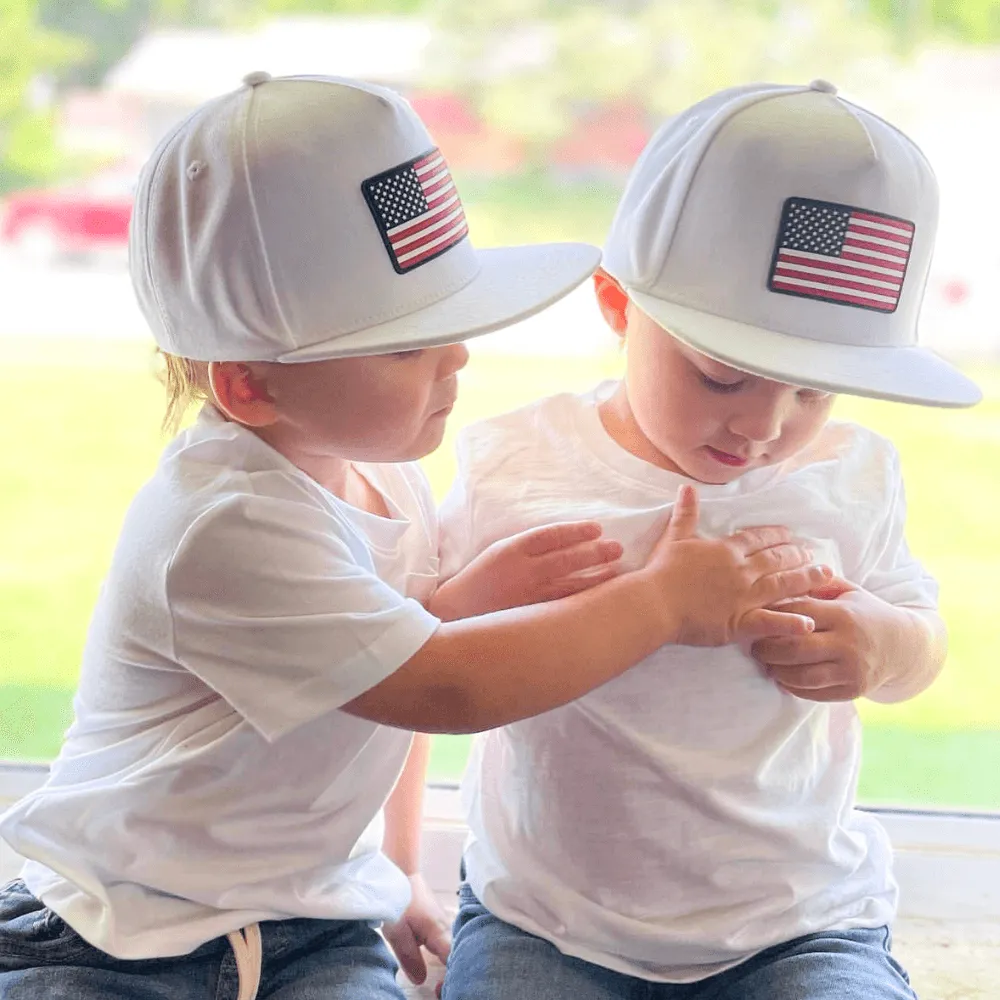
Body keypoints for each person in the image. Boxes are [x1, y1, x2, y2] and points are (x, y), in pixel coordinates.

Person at [0, 74, 827, 1000]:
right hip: (114, 933)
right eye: (407, 343)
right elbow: (445, 686)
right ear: (250, 386)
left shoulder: (380, 468)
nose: (461, 355)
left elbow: (393, 660)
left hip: (310, 923)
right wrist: (662, 601)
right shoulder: (221, 526)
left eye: (455, 323)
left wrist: (399, 863)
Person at [438, 80, 982, 1000]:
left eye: (813, 389)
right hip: (551, 918)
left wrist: (882, 647)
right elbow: (418, 657)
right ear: (616, 305)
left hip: (798, 921)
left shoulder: (849, 474)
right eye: (722, 377)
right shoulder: (518, 464)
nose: (764, 427)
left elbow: (920, 642)